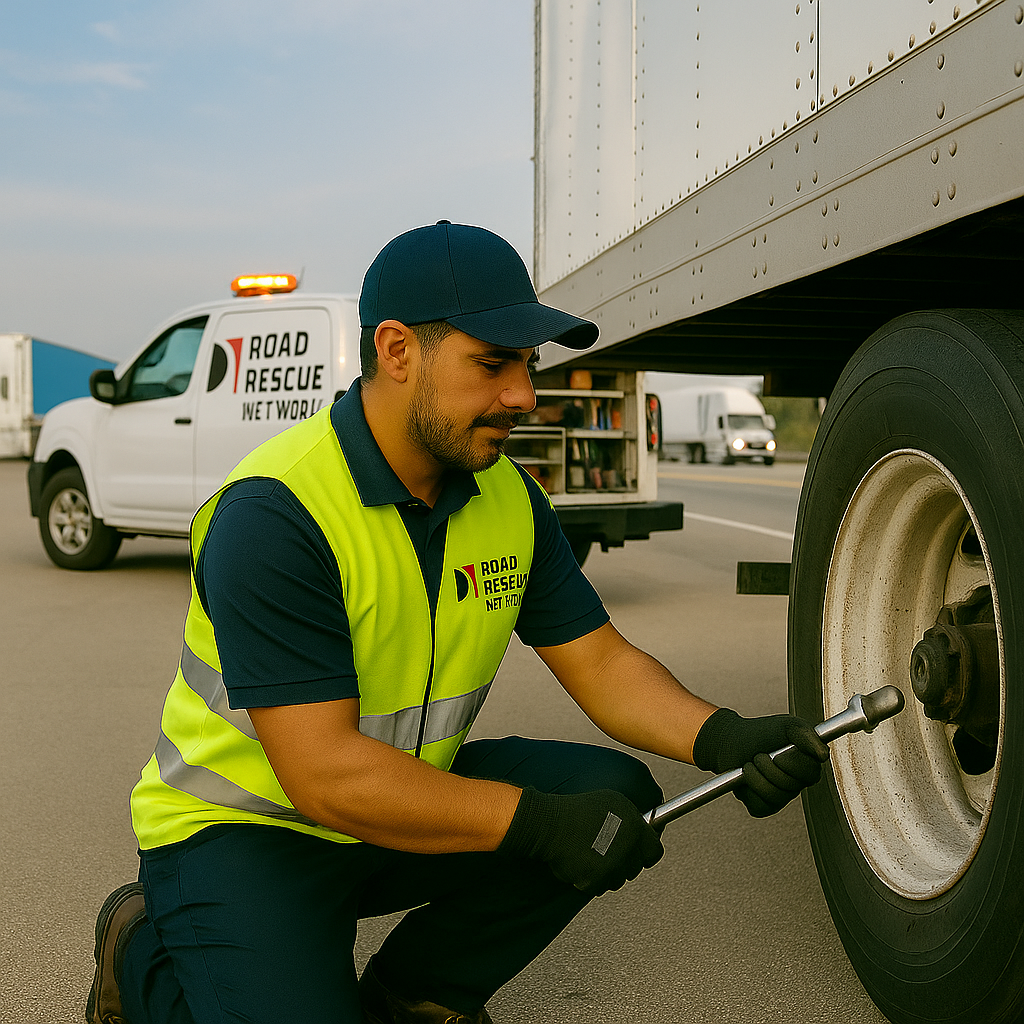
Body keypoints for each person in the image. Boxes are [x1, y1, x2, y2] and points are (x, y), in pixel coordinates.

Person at [87, 221, 829, 1024]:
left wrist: (723, 737)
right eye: (493, 364)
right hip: (245, 834)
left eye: (527, 366)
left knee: (611, 795)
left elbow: (604, 665)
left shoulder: (508, 497)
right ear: (398, 352)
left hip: (396, 801)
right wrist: (535, 826)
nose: (524, 396)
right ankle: (136, 952)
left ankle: (418, 995)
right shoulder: (277, 513)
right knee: (549, 823)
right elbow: (325, 774)